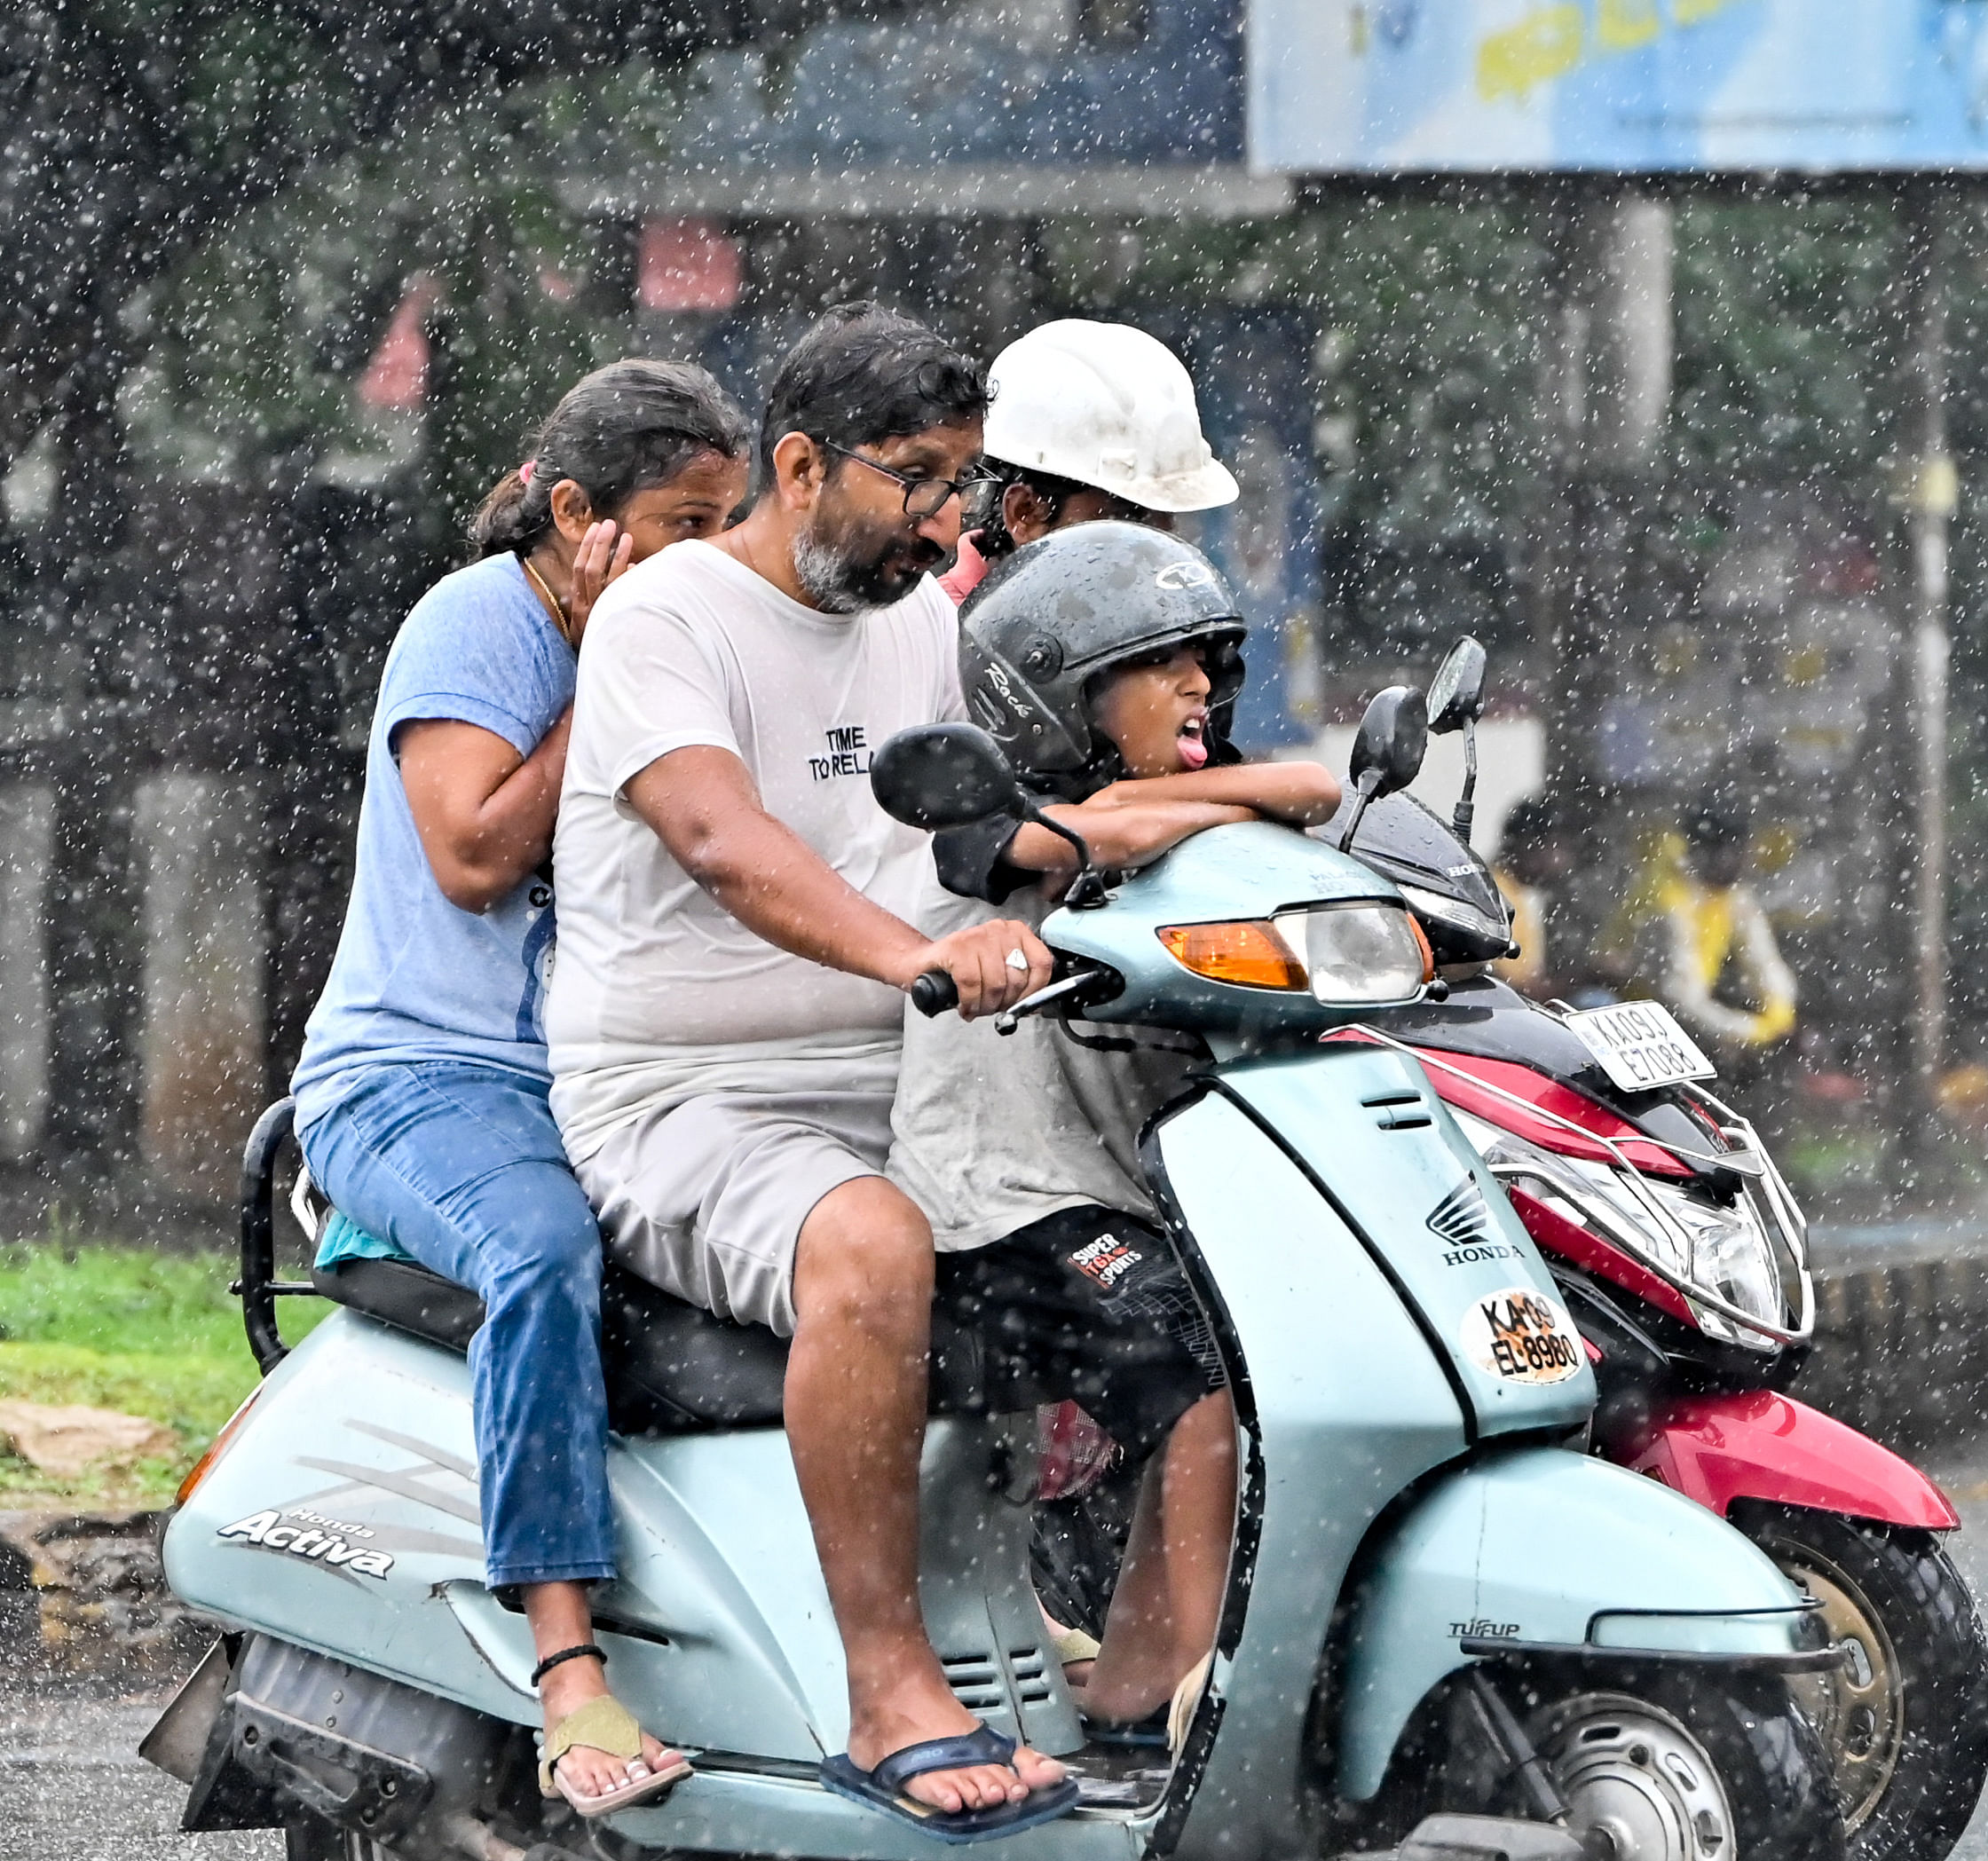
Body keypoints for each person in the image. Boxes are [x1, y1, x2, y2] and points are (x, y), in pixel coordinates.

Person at [546, 304, 1075, 1840]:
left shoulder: (915, 615)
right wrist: (908, 959)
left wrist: (1186, 860)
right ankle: (889, 1681)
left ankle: (1136, 1658)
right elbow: (724, 842)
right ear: (799, 461)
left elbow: (961, 829)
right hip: (681, 1097)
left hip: (894, 1071)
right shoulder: (671, 616)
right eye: (918, 480)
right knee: (871, 1239)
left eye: (964, 485)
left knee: (1134, 1233)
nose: (946, 523)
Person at [289, 360, 752, 1818]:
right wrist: (613, 674)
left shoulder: (699, 641)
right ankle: (570, 1674)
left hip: (610, 1076)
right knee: (541, 1254)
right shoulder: (478, 622)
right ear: (575, 514)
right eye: (689, 524)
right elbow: (475, 853)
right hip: (417, 1078)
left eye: (730, 524)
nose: (716, 558)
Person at [891, 522, 1340, 1740]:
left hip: (1114, 1186)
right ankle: (1205, 1687)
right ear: (1060, 684)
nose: (1201, 682)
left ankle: (1141, 1679)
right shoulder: (981, 822)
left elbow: (1314, 786)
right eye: (1164, 663)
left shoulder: (1167, 806)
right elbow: (1083, 839)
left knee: (1245, 1357)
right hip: (1001, 1201)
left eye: (1208, 658)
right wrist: (1135, 806)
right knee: (1194, 1370)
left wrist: (1147, 792)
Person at [938, 319, 1238, 604]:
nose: (1154, 558)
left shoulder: (1164, 635)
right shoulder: (939, 639)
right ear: (1024, 513)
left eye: (1166, 531)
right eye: (1129, 523)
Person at [1647, 791, 1796, 1060]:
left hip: (1689, 1017)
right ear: (1702, 851)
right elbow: (1680, 997)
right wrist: (1750, 1031)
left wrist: (1779, 1011)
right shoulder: (1669, 897)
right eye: (1732, 850)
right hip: (1640, 1020)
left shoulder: (1732, 897)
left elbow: (1765, 963)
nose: (1741, 860)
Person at [1492, 794, 1572, 998]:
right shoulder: (1496, 893)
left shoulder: (1522, 893)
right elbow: (1516, 986)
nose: (1560, 859)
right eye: (1555, 847)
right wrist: (1588, 977)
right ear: (1529, 845)